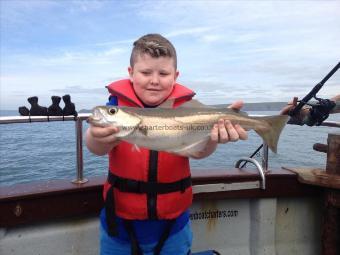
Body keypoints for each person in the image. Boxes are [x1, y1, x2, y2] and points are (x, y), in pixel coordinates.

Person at [86, 34, 248, 255]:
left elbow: (198, 152)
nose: (154, 80)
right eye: (145, 72)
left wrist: (213, 138)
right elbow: (95, 147)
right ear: (130, 73)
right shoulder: (116, 109)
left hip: (174, 227)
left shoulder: (188, 109)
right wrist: (96, 137)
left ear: (175, 75)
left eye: (163, 73)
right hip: (119, 226)